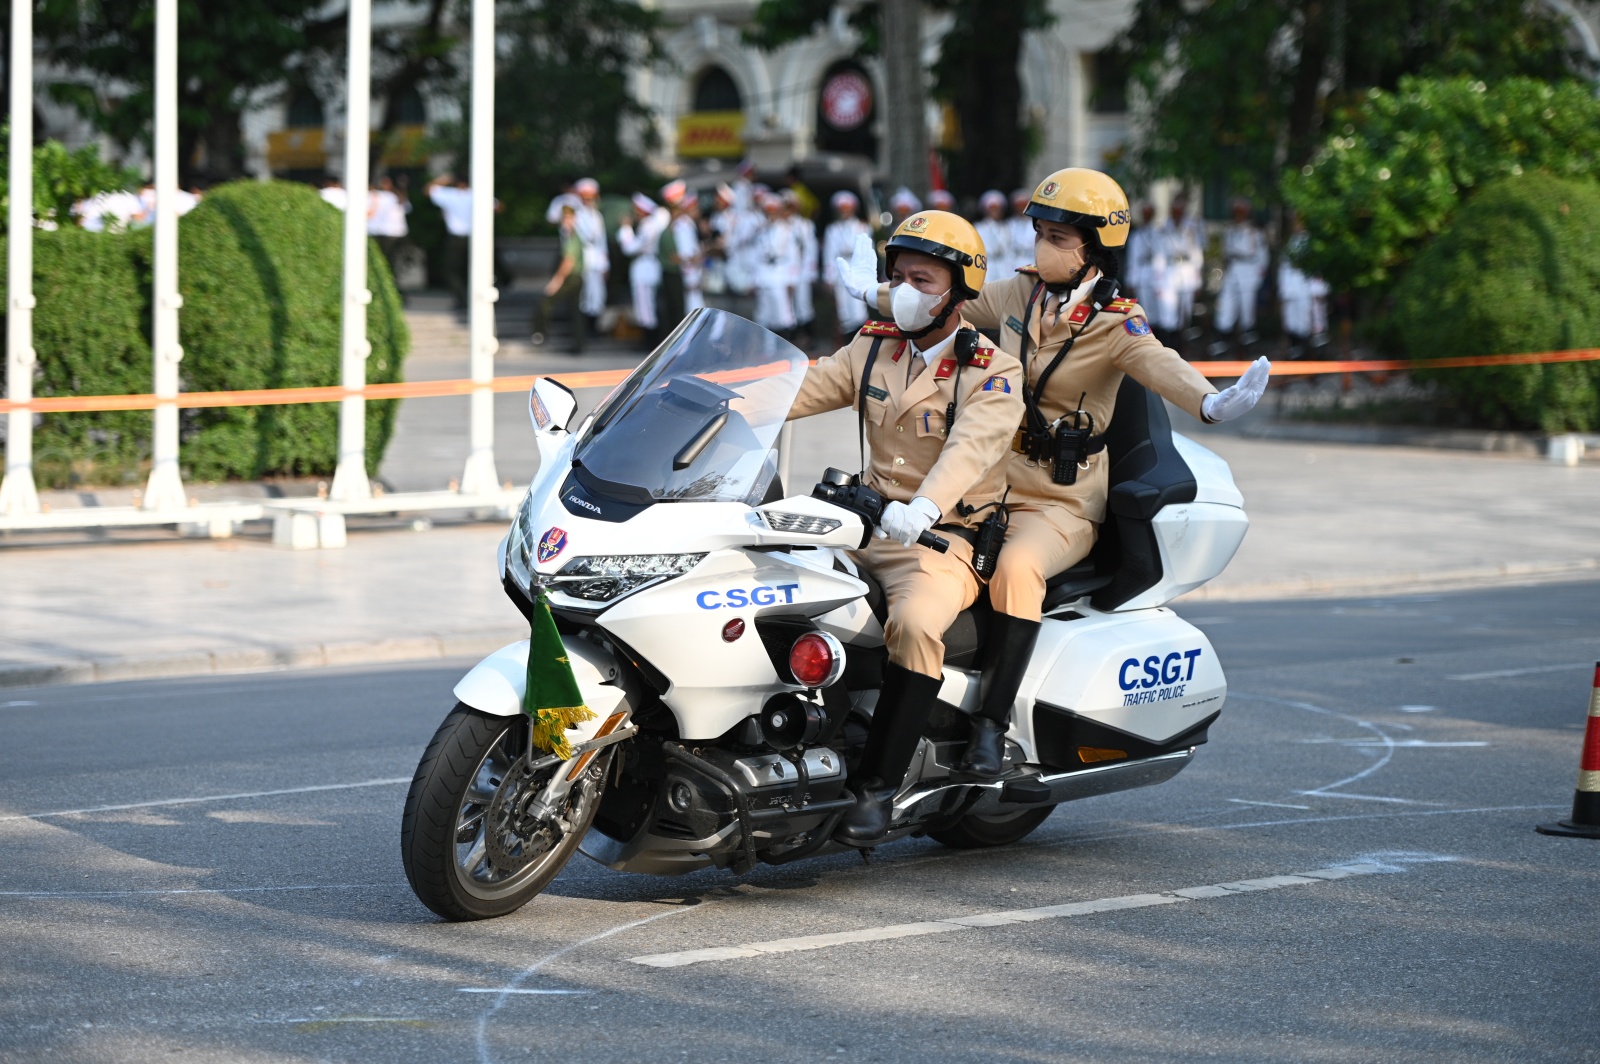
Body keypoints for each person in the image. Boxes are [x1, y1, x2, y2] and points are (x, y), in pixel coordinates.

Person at [836, 169, 1270, 777]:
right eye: (1040, 232)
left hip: (1060, 500)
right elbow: (946, 300)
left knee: (1015, 567)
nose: (1043, 246)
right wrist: (871, 293)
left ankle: (990, 725)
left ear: (1093, 246)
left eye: (1058, 236)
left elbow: (1157, 362)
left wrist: (1210, 402)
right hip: (994, 483)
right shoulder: (1021, 293)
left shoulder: (1117, 323)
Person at [786, 209, 1024, 843]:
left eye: (923, 280)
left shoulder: (993, 370)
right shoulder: (874, 345)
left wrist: (922, 509)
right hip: (861, 525)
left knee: (915, 624)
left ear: (960, 291)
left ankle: (877, 789)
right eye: (899, 278)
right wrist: (711, 392)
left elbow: (969, 449)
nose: (907, 292)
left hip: (944, 539)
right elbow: (800, 390)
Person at [531, 199, 586, 354]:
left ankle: (540, 334)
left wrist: (557, 280)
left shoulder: (572, 236)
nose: (565, 221)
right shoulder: (570, 235)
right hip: (576, 277)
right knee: (575, 311)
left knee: (546, 303)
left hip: (572, 277)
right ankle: (578, 344)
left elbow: (568, 261)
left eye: (568, 218)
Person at [616, 192, 671, 346]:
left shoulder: (648, 226)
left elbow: (630, 248)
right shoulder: (650, 224)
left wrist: (625, 229)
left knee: (646, 306)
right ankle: (649, 340)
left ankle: (651, 342)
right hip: (646, 267)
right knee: (645, 305)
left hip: (645, 268)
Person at [1214, 197, 1269, 343]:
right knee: (1226, 303)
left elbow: (1263, 256)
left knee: (1247, 307)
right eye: (1236, 212)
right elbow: (1225, 252)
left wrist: (1258, 276)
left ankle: (1247, 336)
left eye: (1241, 212)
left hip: (1248, 270)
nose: (1238, 215)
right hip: (1233, 269)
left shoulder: (1254, 232)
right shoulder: (1230, 230)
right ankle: (1223, 336)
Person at [821, 191, 873, 343]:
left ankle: (861, 342)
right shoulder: (832, 229)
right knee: (843, 310)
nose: (844, 212)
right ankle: (847, 343)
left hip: (858, 270)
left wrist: (868, 275)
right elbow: (829, 254)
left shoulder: (863, 227)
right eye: (842, 209)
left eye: (847, 208)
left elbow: (867, 252)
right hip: (841, 271)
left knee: (859, 309)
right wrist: (828, 277)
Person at [1278, 214, 1329, 357]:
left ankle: (1317, 356)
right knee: (1294, 322)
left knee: (1315, 321)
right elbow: (1285, 268)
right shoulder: (1291, 243)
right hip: (1293, 289)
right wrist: (1284, 291)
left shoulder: (1312, 243)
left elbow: (1318, 269)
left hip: (1309, 288)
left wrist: (1319, 289)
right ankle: (1299, 352)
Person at [1156, 196, 1205, 338]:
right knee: (1168, 309)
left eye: (1180, 211)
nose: (1177, 214)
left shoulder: (1191, 228)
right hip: (1169, 270)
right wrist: (1158, 279)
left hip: (1187, 270)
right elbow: (1159, 255)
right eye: (1175, 211)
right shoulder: (1164, 227)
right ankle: (1170, 340)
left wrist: (1197, 281)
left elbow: (1197, 253)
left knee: (1186, 308)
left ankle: (1182, 339)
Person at [427, 173, 476, 310]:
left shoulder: (451, 195)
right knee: (470, 268)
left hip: (457, 237)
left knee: (451, 269)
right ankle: (470, 297)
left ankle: (463, 298)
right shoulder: (476, 194)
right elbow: (498, 207)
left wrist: (442, 179)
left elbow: (429, 189)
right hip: (475, 237)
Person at [752, 192, 798, 336]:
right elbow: (757, 257)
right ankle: (768, 350)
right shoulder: (761, 231)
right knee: (764, 316)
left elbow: (794, 257)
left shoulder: (788, 231)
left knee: (783, 315)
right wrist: (755, 279)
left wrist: (792, 280)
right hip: (764, 276)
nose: (770, 215)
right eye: (768, 212)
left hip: (781, 274)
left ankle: (786, 348)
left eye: (773, 211)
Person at [572, 178, 611, 329]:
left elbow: (603, 241)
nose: (590, 201)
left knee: (598, 294)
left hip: (597, 259)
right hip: (584, 257)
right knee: (585, 294)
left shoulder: (597, 215)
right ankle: (585, 326)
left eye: (592, 197)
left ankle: (595, 325)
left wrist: (606, 265)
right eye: (586, 198)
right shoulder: (577, 215)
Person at [785, 189, 819, 347]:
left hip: (801, 270)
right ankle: (790, 338)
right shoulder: (780, 225)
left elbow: (810, 250)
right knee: (786, 306)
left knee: (803, 305)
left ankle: (807, 337)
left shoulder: (805, 224)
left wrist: (811, 272)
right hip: (783, 271)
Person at [368, 175, 411, 283]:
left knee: (386, 262)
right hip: (385, 233)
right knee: (388, 262)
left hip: (388, 233)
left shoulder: (391, 196)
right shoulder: (383, 196)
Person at [975, 190, 1011, 285]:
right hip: (987, 264)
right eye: (992, 208)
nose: (995, 212)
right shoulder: (979, 227)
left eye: (997, 208)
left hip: (1003, 265)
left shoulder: (1006, 227)